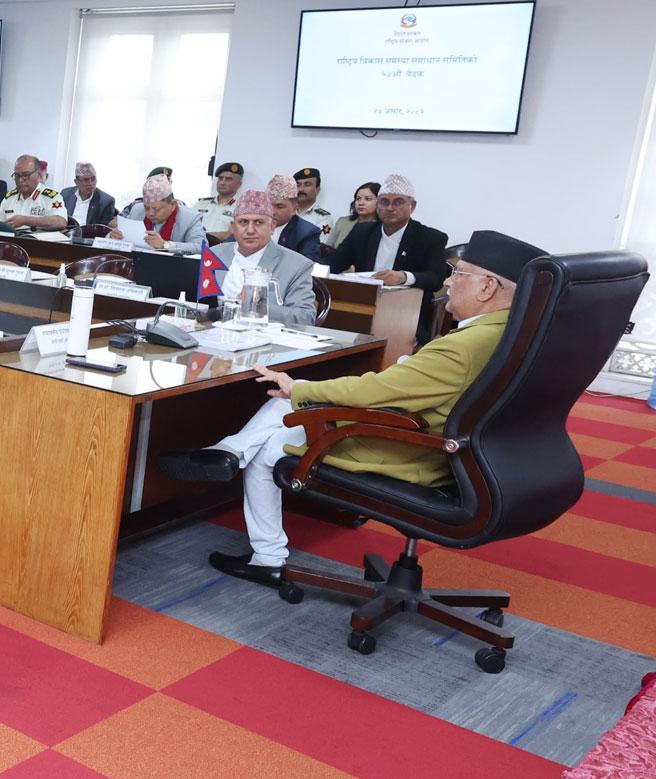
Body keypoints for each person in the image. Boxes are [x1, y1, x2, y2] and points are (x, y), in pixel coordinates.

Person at [157, 230, 546, 591]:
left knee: (270, 444)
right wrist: (302, 392)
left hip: (414, 449)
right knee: (287, 407)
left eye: (458, 274)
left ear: (487, 286)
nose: (447, 282)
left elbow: (376, 391)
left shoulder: (464, 346)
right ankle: (228, 450)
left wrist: (300, 387)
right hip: (460, 446)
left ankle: (266, 553)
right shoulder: (511, 332)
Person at [326, 174, 449, 341]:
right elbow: (333, 263)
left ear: (412, 206)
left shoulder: (429, 237)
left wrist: (404, 277)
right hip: (362, 307)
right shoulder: (362, 232)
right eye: (384, 202)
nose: (390, 208)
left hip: (407, 315)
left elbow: (436, 278)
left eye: (398, 202)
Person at [208, 190, 316, 326]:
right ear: (233, 227)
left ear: (272, 227)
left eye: (259, 222)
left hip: (263, 335)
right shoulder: (214, 254)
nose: (250, 230)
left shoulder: (296, 265)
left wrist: (258, 307)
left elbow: (305, 317)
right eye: (243, 222)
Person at [119, 174, 206, 253]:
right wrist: (115, 238)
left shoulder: (190, 218)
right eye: (147, 208)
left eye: (156, 209)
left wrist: (165, 245)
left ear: (173, 205)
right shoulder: (137, 210)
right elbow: (120, 235)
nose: (150, 213)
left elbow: (200, 248)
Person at [0, 154, 66, 229]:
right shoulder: (10, 197)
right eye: (17, 175)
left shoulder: (51, 197)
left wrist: (26, 220)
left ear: (38, 175)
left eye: (26, 175)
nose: (20, 180)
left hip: (37, 236)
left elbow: (60, 222)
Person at [266, 174, 323, 262]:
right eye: (268, 205)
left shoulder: (307, 233)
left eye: (279, 206)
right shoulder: (252, 224)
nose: (272, 212)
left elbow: (307, 265)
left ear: (294, 209)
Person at [196, 161, 244, 242]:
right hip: (194, 247)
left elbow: (231, 235)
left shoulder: (242, 208)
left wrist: (198, 236)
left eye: (228, 179)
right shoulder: (201, 204)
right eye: (220, 178)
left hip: (220, 248)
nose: (222, 182)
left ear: (239, 184)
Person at [60, 161, 117, 228]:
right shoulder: (65, 194)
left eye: (93, 179)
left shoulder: (106, 201)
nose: (91, 183)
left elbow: (105, 229)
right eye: (86, 180)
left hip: (89, 233)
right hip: (66, 231)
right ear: (76, 182)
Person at [330, 181, 381, 249]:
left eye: (368, 199)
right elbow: (327, 248)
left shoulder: (381, 228)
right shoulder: (343, 222)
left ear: (380, 202)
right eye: (358, 199)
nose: (361, 203)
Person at [292, 167, 336, 240]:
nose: (301, 189)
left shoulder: (322, 218)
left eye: (307, 184)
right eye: (298, 185)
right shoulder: (285, 213)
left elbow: (317, 245)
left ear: (317, 189)